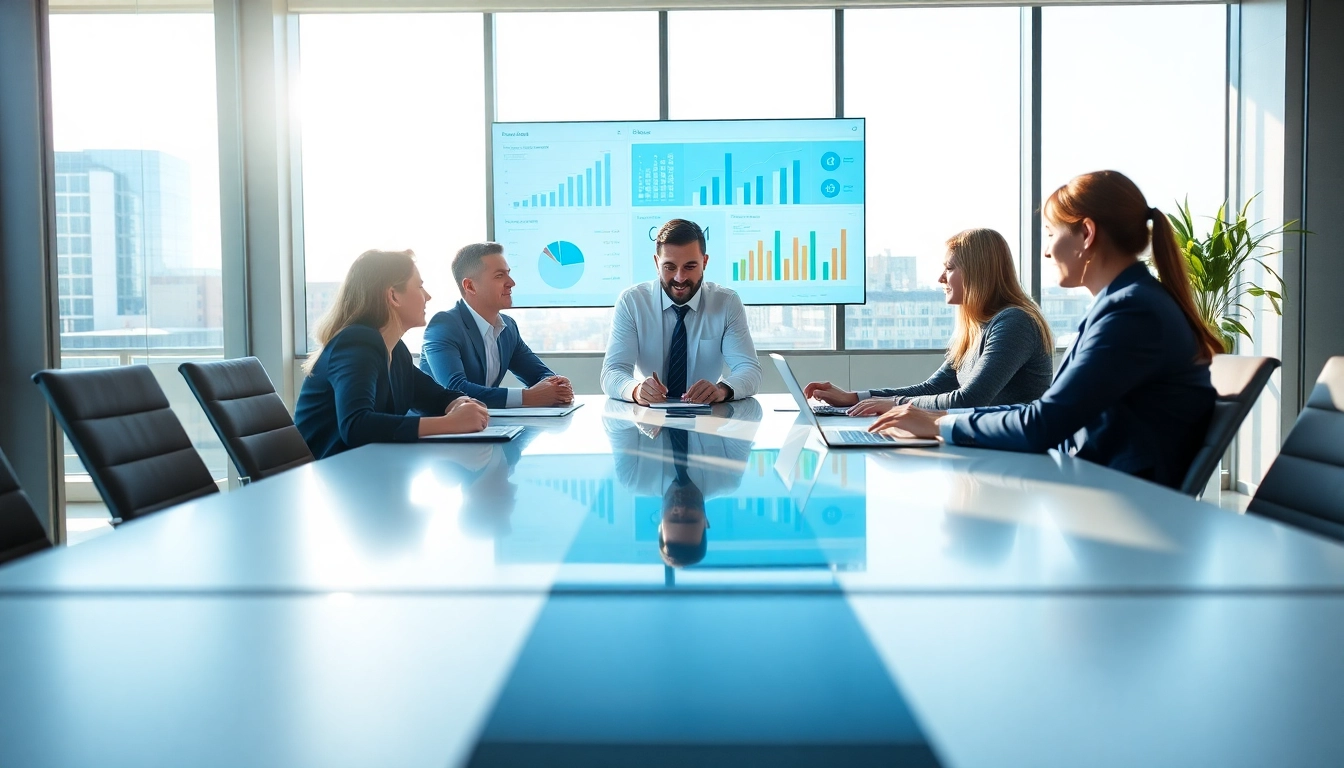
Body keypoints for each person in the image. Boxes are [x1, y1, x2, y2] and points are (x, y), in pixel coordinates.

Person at [869, 171, 1221, 490]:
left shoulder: (1131, 312)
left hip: (1123, 504)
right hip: (1098, 486)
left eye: (1051, 234)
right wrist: (939, 417)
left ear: (1086, 233)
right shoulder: (1125, 304)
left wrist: (939, 425)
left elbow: (1044, 424)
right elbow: (1043, 410)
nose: (1047, 251)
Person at [804, 228, 1053, 414]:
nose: (940, 278)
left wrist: (893, 405)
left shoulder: (1014, 322)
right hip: (986, 447)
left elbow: (969, 400)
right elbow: (931, 388)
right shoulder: (976, 328)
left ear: (978, 272)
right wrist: (855, 397)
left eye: (950, 268)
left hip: (1014, 458)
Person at [295, 249, 490, 459]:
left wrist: (459, 403)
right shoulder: (356, 343)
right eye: (420, 286)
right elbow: (356, 426)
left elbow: (434, 395)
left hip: (363, 471)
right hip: (329, 477)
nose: (428, 296)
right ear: (393, 296)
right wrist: (450, 423)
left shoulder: (395, 350)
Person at [601, 218, 762, 405]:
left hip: (707, 420)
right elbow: (612, 372)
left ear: (705, 262)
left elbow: (749, 370)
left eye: (690, 266)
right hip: (648, 419)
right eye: (669, 267)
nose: (680, 277)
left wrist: (721, 390)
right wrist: (636, 391)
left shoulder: (726, 303)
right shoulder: (632, 302)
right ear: (656, 263)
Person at [419, 242, 572, 408]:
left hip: (485, 425)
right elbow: (455, 389)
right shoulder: (444, 326)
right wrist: (527, 397)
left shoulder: (508, 327)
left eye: (508, 274)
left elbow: (538, 374)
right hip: (439, 428)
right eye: (499, 276)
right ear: (470, 286)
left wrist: (556, 384)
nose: (511, 282)